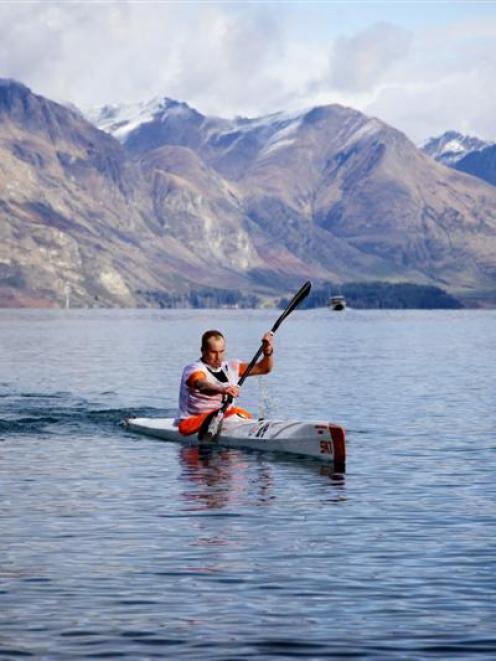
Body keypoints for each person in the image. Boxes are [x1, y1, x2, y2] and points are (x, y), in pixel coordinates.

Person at [175, 329, 274, 435]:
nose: (218, 357)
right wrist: (222, 389)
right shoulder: (194, 369)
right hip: (192, 423)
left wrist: (267, 352)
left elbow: (263, 368)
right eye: (213, 352)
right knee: (236, 413)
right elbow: (201, 385)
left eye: (221, 351)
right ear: (203, 350)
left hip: (222, 417)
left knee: (241, 413)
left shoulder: (231, 366)